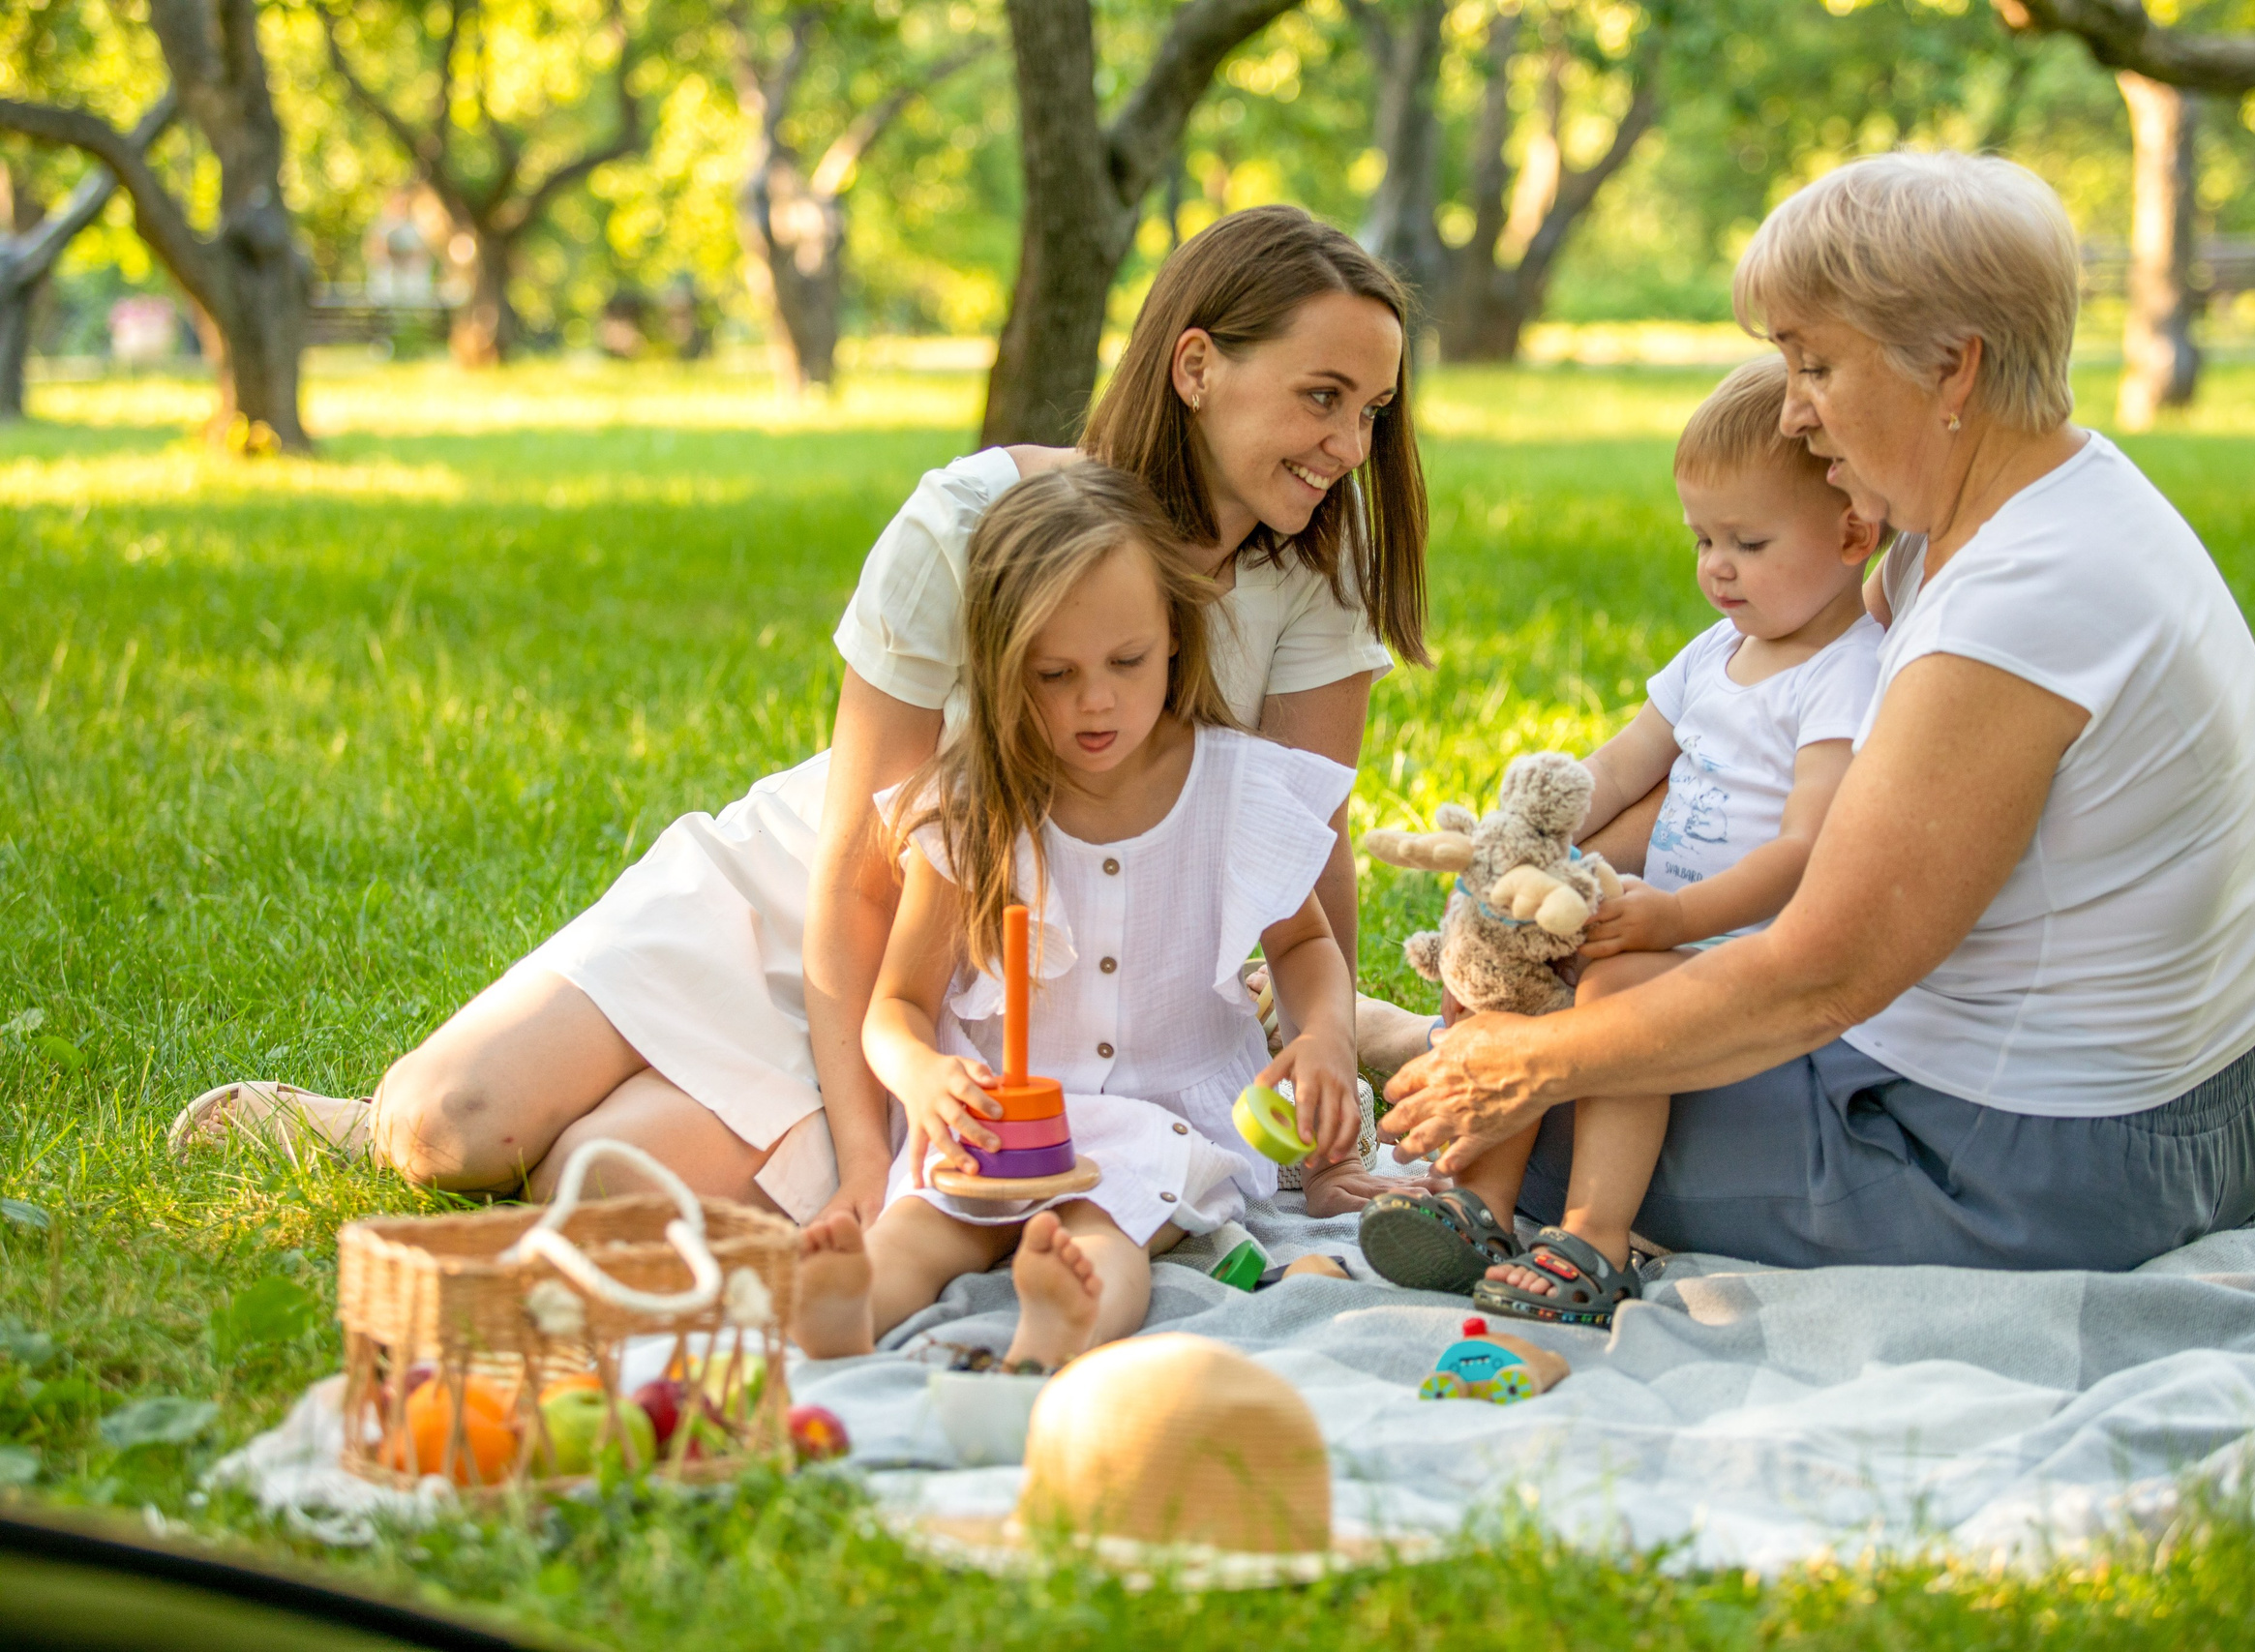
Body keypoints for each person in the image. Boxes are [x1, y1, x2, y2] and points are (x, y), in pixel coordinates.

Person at [170, 205, 1430, 1224]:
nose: (1348, 445)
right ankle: (347, 1115)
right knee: (450, 1124)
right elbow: (856, 865)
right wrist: (865, 1137)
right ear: (1197, 362)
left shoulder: (1306, 585)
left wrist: (1330, 1125)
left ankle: (670, 1111)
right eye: (1322, 396)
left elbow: (1304, 858)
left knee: (597, 1188)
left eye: (1371, 412)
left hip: (1004, 983)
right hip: (844, 904)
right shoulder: (972, 520)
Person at [1375, 151, 2255, 1275]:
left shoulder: (2014, 610)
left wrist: (1523, 1059)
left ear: (1953, 370)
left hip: (2034, 1167)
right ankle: (1432, 1038)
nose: (1795, 416)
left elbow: (1819, 974)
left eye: (1814, 365)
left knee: (1513, 1114)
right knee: (1561, 1024)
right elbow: (1739, 746)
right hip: (2188, 1114)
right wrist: (1545, 876)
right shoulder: (2010, 514)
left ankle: (1391, 1041)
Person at [792, 464, 1361, 1366]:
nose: (1096, 700)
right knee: (925, 1228)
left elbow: (1304, 946)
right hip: (995, 1120)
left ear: (1174, 637)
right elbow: (895, 1004)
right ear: (1002, 666)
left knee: (1106, 1232)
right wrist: (925, 1078)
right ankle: (846, 1307)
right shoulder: (978, 806)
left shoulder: (1232, 784)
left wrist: (1327, 1031)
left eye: (1125, 663)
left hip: (1161, 1113)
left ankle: (1065, 1323)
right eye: (1055, 674)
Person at [1356, 357, 1883, 1321]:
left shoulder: (1844, 677)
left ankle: (1595, 1241)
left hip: (1744, 949)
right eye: (1702, 540)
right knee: (1526, 969)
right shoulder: (1713, 654)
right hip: (1649, 922)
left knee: (1617, 993)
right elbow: (1617, 770)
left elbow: (1809, 848)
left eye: (1749, 542)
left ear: (1852, 531)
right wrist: (1518, 849)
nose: (1716, 567)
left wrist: (1673, 917)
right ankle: (1480, 1202)